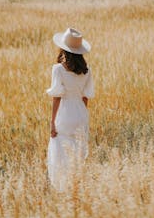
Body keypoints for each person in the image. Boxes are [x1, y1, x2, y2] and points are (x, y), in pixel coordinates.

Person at [46, 27, 94, 191]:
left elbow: (57, 96)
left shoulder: (58, 69)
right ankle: (76, 185)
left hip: (64, 114)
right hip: (81, 113)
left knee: (60, 152)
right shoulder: (86, 71)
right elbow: (86, 97)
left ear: (63, 49)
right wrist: (80, 113)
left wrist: (52, 122)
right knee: (77, 152)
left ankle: (62, 188)